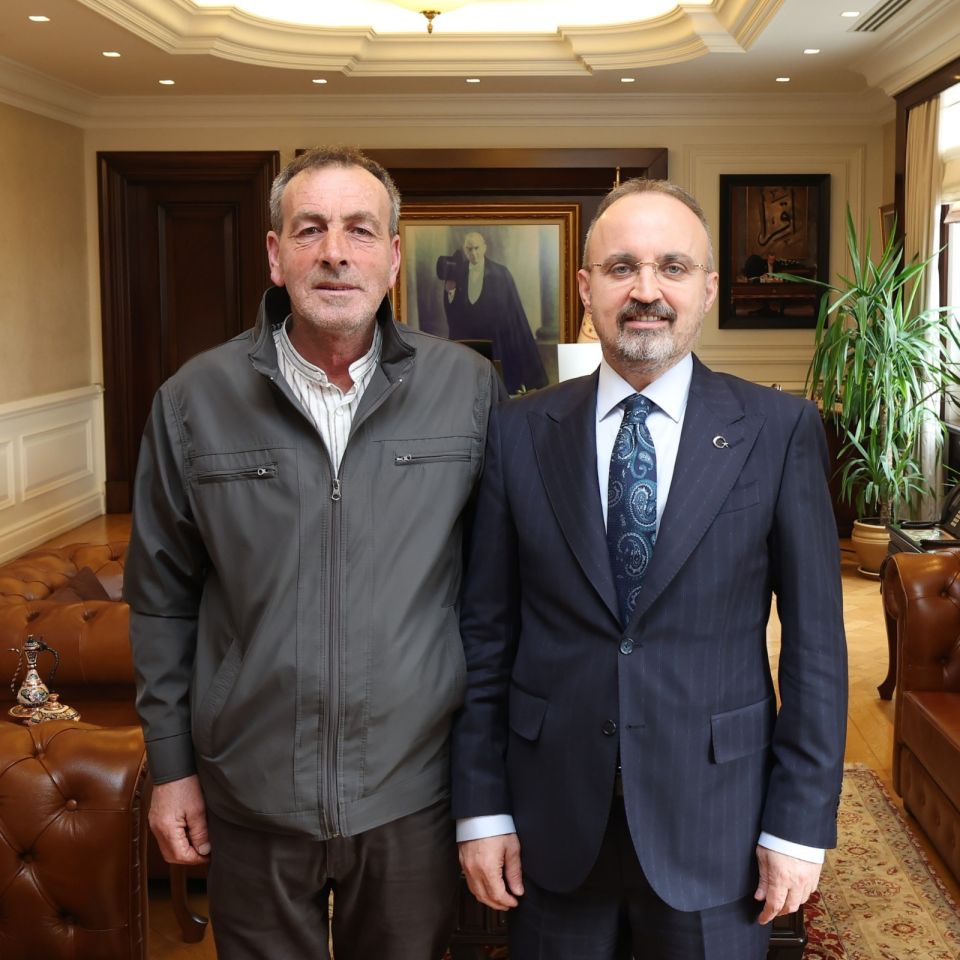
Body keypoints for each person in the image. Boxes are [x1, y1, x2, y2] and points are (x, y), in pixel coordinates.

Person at [451, 178, 847, 960]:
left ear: (706, 289)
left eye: (672, 267)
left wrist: (798, 825)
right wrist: (483, 808)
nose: (645, 290)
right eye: (621, 267)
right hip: (550, 817)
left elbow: (816, 650)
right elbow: (485, 636)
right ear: (585, 288)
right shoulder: (517, 432)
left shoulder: (779, 431)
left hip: (717, 818)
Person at [123, 146, 502, 960]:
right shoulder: (192, 401)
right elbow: (160, 601)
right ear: (275, 254)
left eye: (360, 230)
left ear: (393, 257)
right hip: (249, 792)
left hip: (413, 792)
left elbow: (494, 598)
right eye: (310, 229)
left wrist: (488, 787)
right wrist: (172, 769)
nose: (335, 252)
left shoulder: (469, 391)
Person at [443, 230, 548, 393]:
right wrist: (450, 292)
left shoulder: (501, 273)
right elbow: (453, 310)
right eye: (469, 249)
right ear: (465, 250)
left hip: (496, 340)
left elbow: (512, 312)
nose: (473, 253)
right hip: (469, 341)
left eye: (477, 248)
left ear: (484, 248)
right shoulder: (457, 272)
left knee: (498, 387)